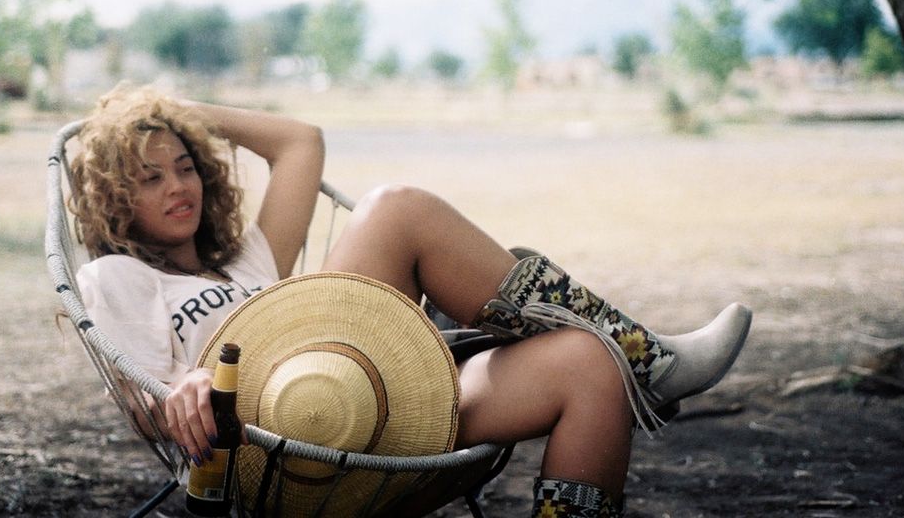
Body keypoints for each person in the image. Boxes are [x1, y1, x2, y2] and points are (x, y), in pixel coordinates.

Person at [70, 85, 751, 518]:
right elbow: (145, 401)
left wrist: (168, 111)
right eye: (147, 177)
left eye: (185, 165)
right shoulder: (117, 278)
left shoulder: (247, 262)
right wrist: (184, 390)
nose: (176, 185)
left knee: (587, 365)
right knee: (396, 210)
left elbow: (300, 141)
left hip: (377, 414)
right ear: (112, 199)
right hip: (271, 453)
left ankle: (628, 359)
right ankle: (649, 360)